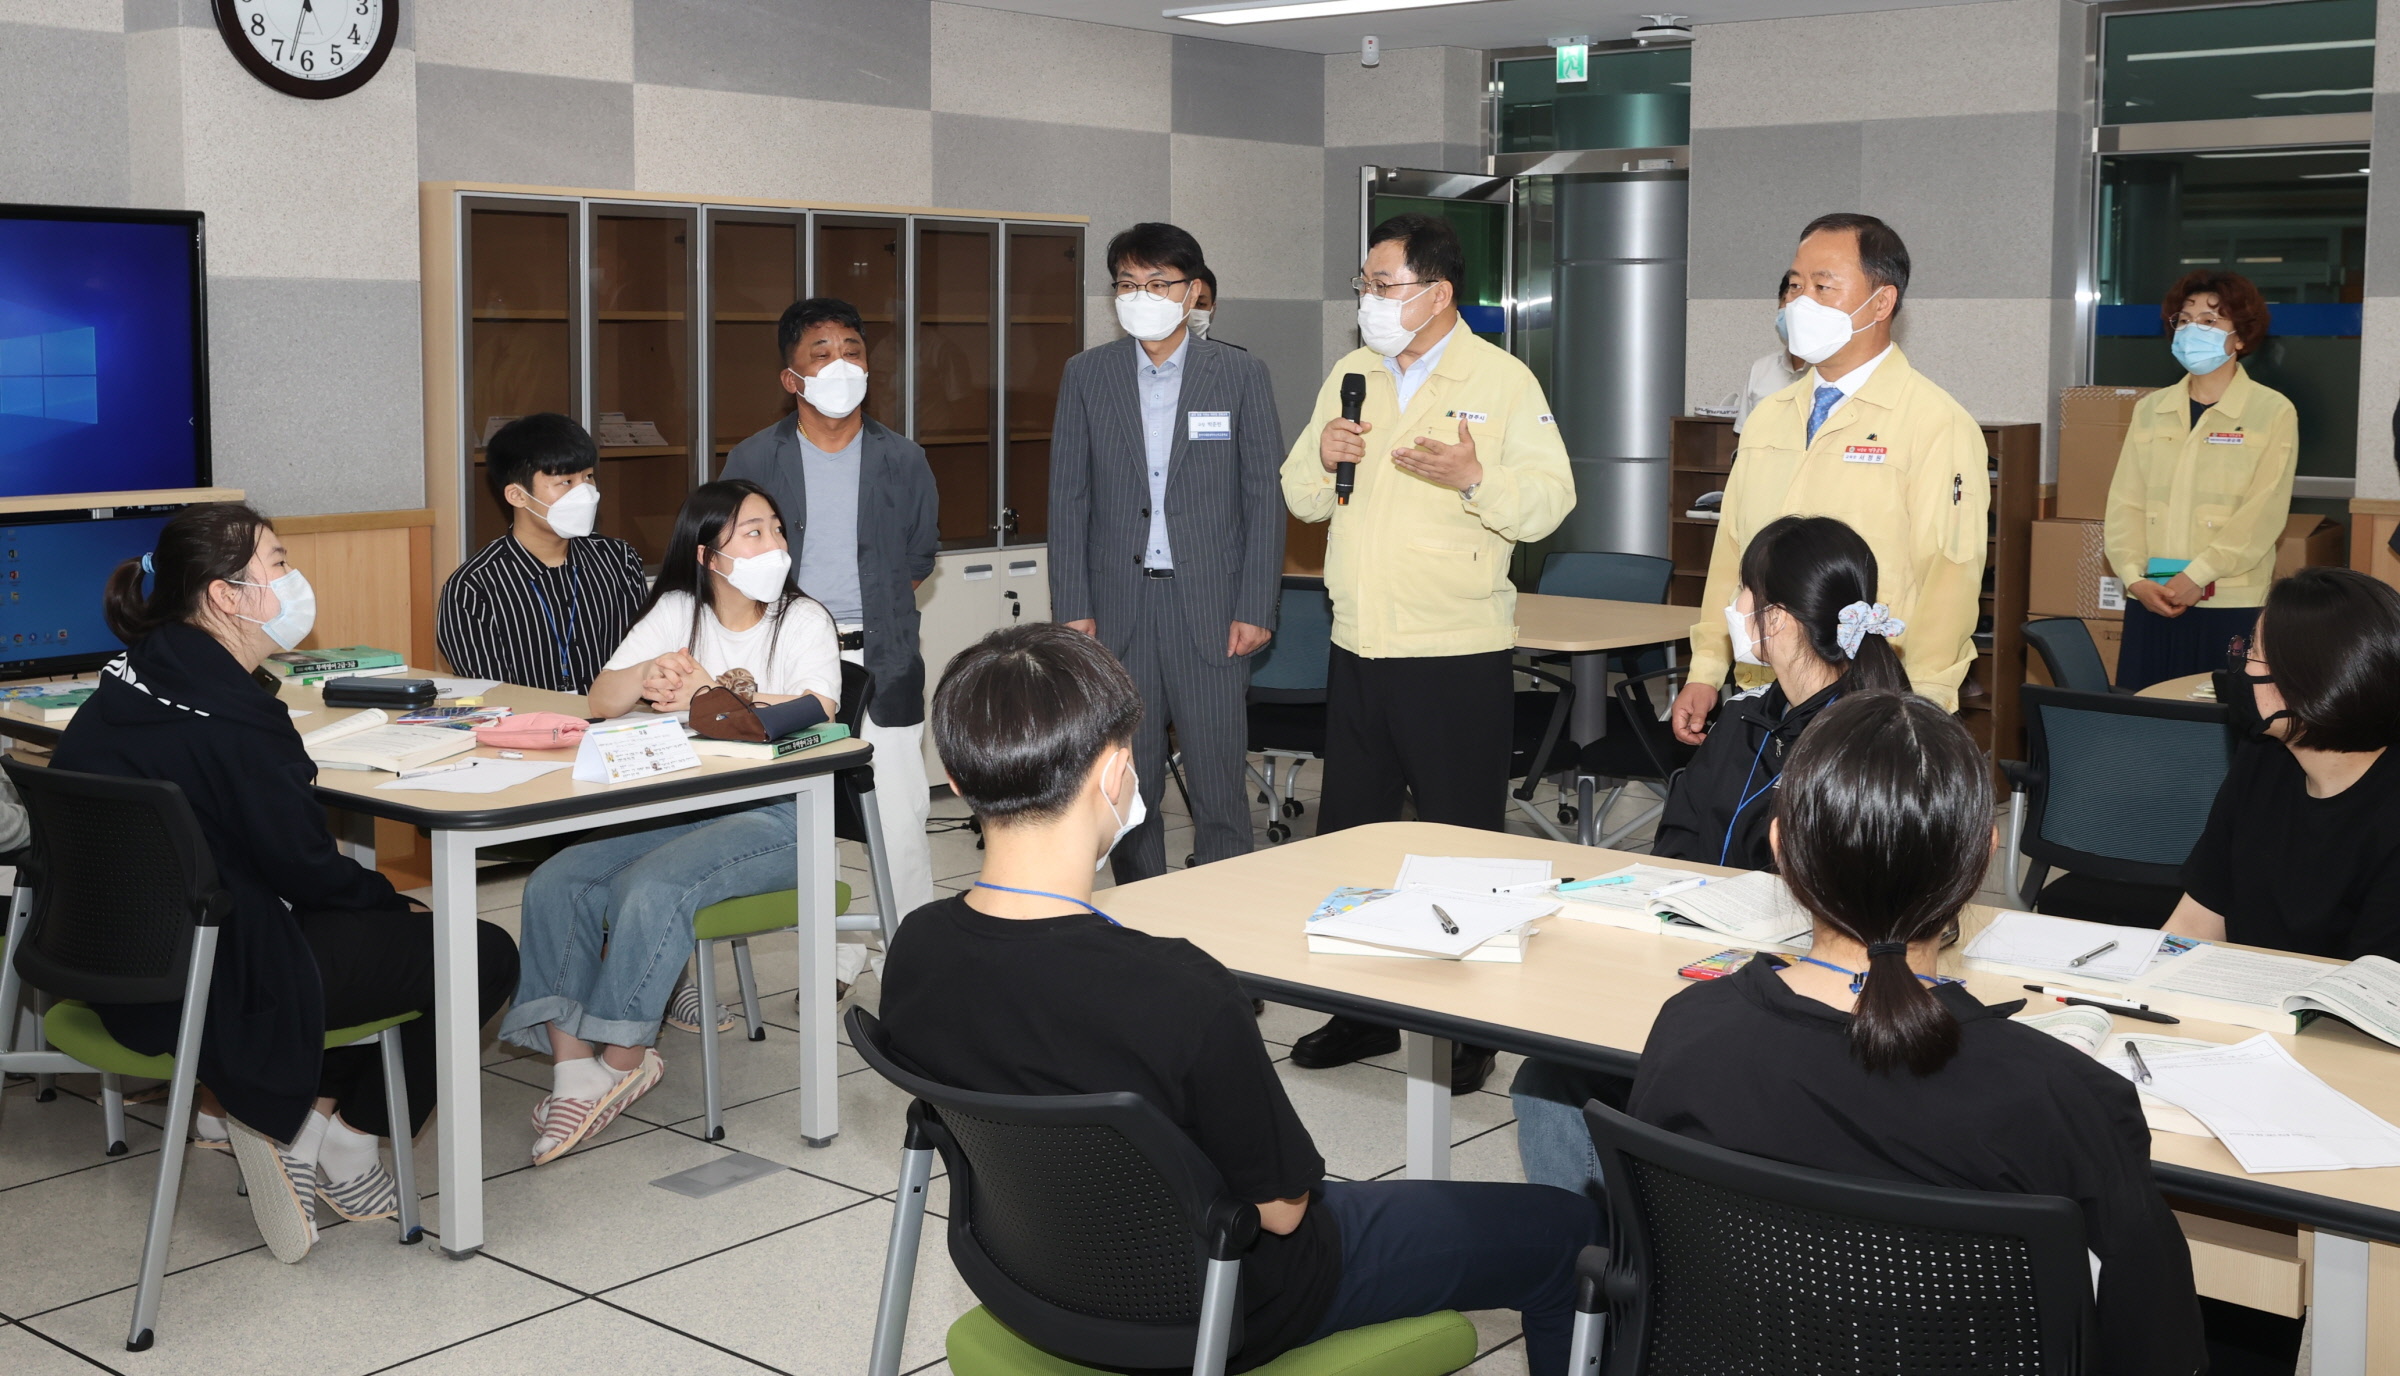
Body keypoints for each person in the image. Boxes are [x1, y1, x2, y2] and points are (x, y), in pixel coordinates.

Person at [878, 623, 1600, 1376]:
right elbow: (1285, 1211)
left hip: (1029, 1281)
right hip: (1230, 1300)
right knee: (1567, 1233)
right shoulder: (1176, 987)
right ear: (1117, 774)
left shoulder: (919, 949)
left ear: (958, 780)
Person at [1630, 691, 2206, 1376]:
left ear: (1779, 846)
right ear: (1985, 858)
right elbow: (2156, 1346)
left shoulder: (1690, 1031)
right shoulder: (2059, 1095)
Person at [54, 503, 519, 1263]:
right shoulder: (236, 718)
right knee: (477, 949)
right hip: (216, 984)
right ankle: (342, 1140)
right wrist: (387, 900)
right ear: (224, 595)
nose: (290, 577)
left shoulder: (132, 675)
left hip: (115, 971)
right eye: (275, 563)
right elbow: (304, 867)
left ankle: (294, 1113)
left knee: (356, 933)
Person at [1512, 514, 1913, 1193]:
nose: (1734, 609)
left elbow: (1869, 910)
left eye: (1743, 595)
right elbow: (1678, 843)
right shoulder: (1745, 723)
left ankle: (1639, 1253)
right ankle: (1598, 1266)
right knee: (1549, 1072)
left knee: (1579, 1082)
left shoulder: (1873, 743)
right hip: (1692, 968)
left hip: (1798, 998)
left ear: (1777, 620)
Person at [1278, 212, 1574, 1090]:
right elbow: (1302, 495)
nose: (1367, 301)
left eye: (1383, 285)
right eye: (1364, 285)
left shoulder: (1502, 379)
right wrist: (1324, 453)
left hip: (1453, 648)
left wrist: (1478, 478)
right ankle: (1360, 1013)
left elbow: (1552, 500)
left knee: (1464, 844)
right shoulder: (1352, 373)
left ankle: (1471, 1029)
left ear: (1437, 293)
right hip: (1359, 641)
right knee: (1352, 839)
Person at [500, 480, 840, 1165]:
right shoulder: (679, 611)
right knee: (557, 879)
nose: (774, 543)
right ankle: (574, 1071)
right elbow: (601, 698)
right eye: (753, 532)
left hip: (781, 817)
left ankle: (624, 1060)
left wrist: (707, 694)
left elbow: (819, 710)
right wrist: (650, 675)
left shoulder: (803, 620)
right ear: (709, 555)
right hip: (683, 810)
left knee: (651, 888)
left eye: (775, 528)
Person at [1672, 213, 1987, 745]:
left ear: (1881, 303)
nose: (1801, 302)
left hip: (1869, 700)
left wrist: (1924, 705)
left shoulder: (1934, 421)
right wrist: (1707, 668)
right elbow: (1732, 551)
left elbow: (1949, 576)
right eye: (1796, 285)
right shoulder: (1772, 414)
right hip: (1762, 687)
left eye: (1823, 286)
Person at [1049, 223, 1285, 884]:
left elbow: (1263, 497)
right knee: (1127, 795)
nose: (1140, 296)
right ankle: (1141, 939)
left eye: (1157, 284)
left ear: (1194, 292)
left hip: (1212, 609)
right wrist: (1073, 608)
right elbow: (1068, 499)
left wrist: (1256, 603)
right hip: (1117, 611)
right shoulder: (1087, 375)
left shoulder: (1239, 374)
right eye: (1127, 284)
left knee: (1218, 793)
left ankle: (1226, 947)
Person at [722, 297, 941, 982]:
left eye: (852, 349)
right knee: (812, 813)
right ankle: (839, 949)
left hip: (883, 656)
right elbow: (732, 559)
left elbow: (917, 561)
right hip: (790, 660)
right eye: (821, 352)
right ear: (792, 378)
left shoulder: (902, 458)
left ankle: (913, 955)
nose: (840, 363)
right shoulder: (755, 457)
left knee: (900, 811)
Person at [2166, 567, 2400, 961]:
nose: (2242, 667)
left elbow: (2374, 996)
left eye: (2253, 653)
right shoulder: (2264, 756)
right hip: (2244, 1002)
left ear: (2313, 681)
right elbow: (2196, 920)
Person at [2104, 270, 2297, 691]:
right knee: (2150, 724)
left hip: (2229, 602)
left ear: (2241, 337)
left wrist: (2199, 574)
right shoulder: (2151, 409)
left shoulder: (2272, 411)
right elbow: (2126, 502)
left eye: (2209, 321)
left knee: (2221, 736)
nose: (2192, 329)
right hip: (2151, 597)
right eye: (2184, 319)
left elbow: (2263, 513)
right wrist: (2133, 577)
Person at [435, 412, 648, 694]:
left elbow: (645, 657)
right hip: (527, 731)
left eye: (588, 476)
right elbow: (492, 694)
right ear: (517, 495)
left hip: (618, 724)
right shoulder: (473, 588)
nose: (585, 493)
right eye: (566, 482)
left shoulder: (618, 560)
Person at [1730, 271, 1803, 435]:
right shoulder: (1762, 368)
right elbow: (1745, 437)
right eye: (1789, 302)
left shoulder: (1837, 372)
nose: (1795, 314)